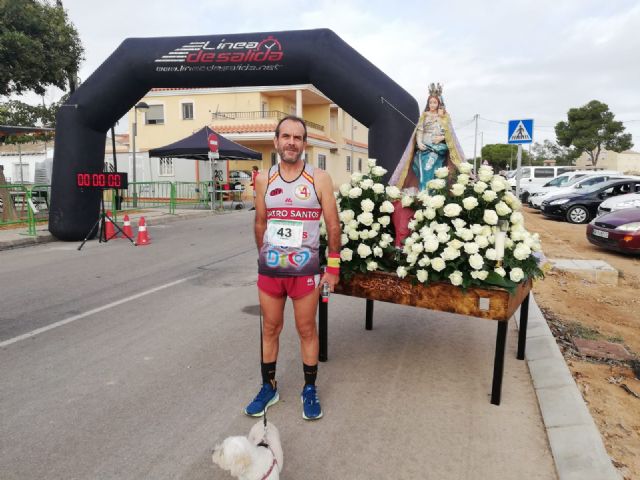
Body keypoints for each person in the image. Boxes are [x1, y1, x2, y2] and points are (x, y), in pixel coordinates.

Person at [245, 115, 341, 421]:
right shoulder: (264, 179)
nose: (291, 142)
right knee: (270, 328)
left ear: (304, 144)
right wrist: (264, 258)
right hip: (271, 272)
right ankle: (268, 387)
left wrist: (333, 267)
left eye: (297, 137)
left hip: (306, 271)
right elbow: (260, 221)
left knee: (306, 329)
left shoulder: (319, 178)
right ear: (276, 141)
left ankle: (309, 389)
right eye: (285, 136)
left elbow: (333, 224)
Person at [389, 83, 465, 191]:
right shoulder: (425, 115)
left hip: (436, 149)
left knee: (428, 168)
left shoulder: (444, 117)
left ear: (439, 103)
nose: (432, 105)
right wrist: (419, 142)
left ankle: (427, 192)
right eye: (430, 102)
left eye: (435, 102)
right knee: (419, 168)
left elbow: (449, 133)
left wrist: (442, 138)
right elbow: (419, 130)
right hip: (423, 147)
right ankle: (425, 191)